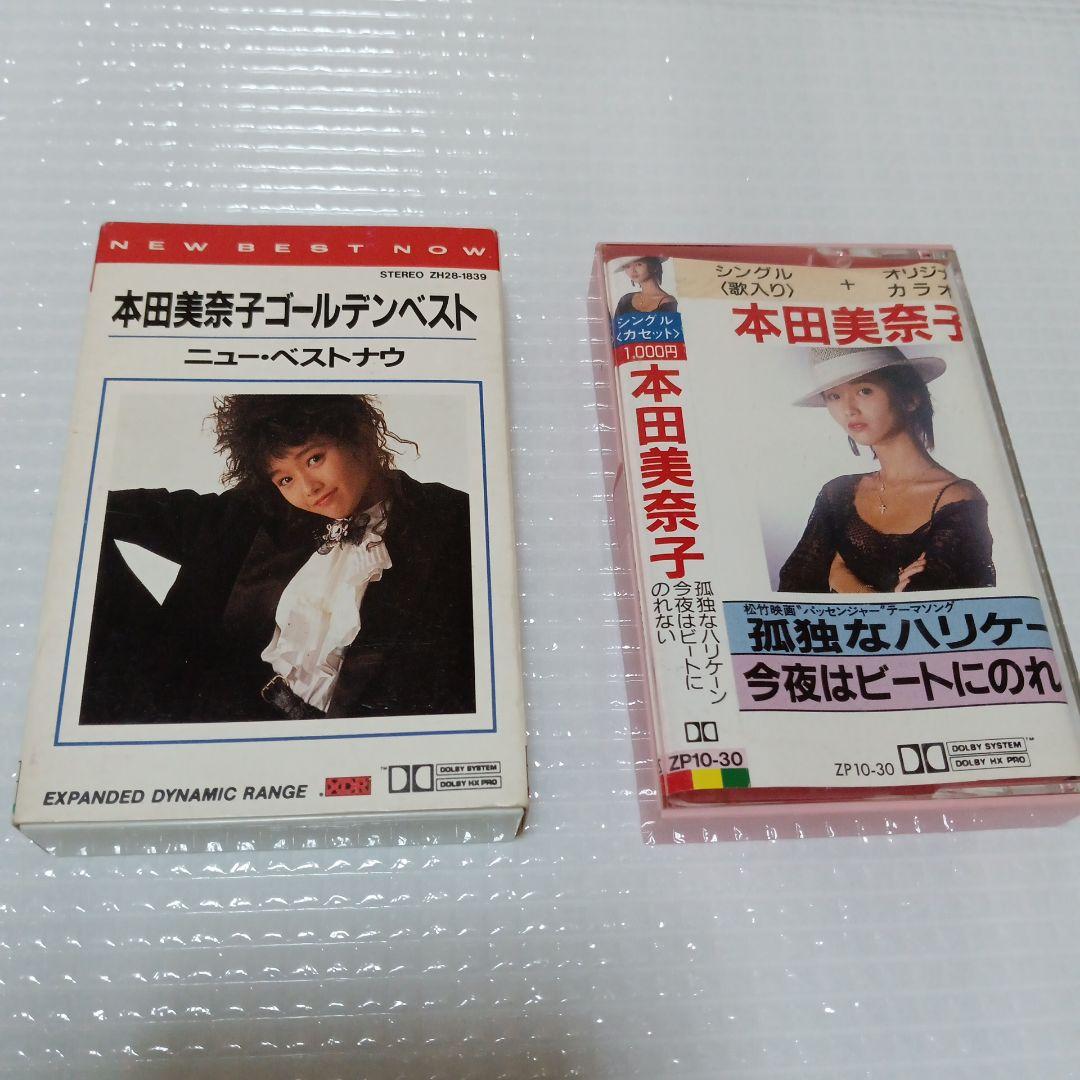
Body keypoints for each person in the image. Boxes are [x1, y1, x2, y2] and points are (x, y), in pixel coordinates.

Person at [79, 394, 475, 723]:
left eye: (314, 458)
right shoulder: (262, 515)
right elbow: (152, 514)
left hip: (346, 744)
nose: (308, 488)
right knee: (81, 540)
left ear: (360, 436)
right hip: (216, 708)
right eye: (285, 478)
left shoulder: (450, 520)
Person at [777, 346, 995, 594]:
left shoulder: (958, 499)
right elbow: (793, 590)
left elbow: (930, 607)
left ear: (911, 398)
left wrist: (842, 577)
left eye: (864, 390)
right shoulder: (837, 495)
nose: (848, 409)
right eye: (834, 396)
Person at [613, 255, 678, 316]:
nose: (633, 271)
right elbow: (614, 324)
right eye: (628, 266)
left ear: (653, 266)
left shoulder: (667, 302)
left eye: (639, 264)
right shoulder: (626, 300)